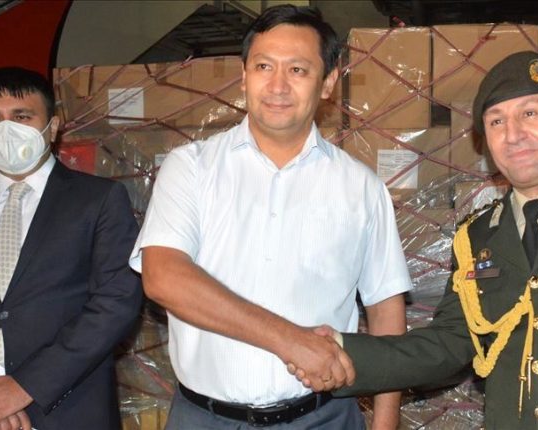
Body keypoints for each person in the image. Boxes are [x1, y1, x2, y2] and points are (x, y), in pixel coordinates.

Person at [301, 51, 538, 429]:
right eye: (496, 121)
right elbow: (448, 345)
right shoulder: (478, 237)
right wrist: (340, 350)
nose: (513, 134)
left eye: (530, 113)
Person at [130, 4, 411, 429]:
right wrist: (290, 341)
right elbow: (163, 277)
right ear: (244, 76)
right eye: (263, 66)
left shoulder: (361, 188)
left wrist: (385, 423)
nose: (277, 85)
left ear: (328, 82)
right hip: (205, 418)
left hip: (322, 418)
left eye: (297, 70)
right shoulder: (191, 168)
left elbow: (386, 311)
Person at [0, 67, 143, 430]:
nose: (6, 130)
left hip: (66, 407)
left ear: (52, 127)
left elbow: (116, 301)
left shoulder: (98, 200)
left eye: (22, 116)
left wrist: (25, 386)